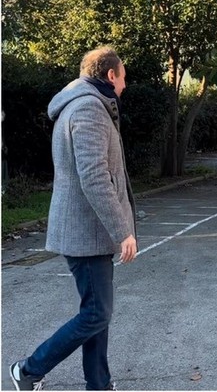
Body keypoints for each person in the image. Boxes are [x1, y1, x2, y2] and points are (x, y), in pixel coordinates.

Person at [9, 47, 137, 391]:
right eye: (123, 77)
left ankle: (99, 384)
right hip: (86, 231)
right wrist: (122, 231)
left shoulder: (83, 104)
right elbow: (94, 177)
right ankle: (28, 369)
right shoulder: (89, 109)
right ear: (110, 75)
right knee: (97, 313)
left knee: (97, 311)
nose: (125, 85)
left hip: (88, 230)